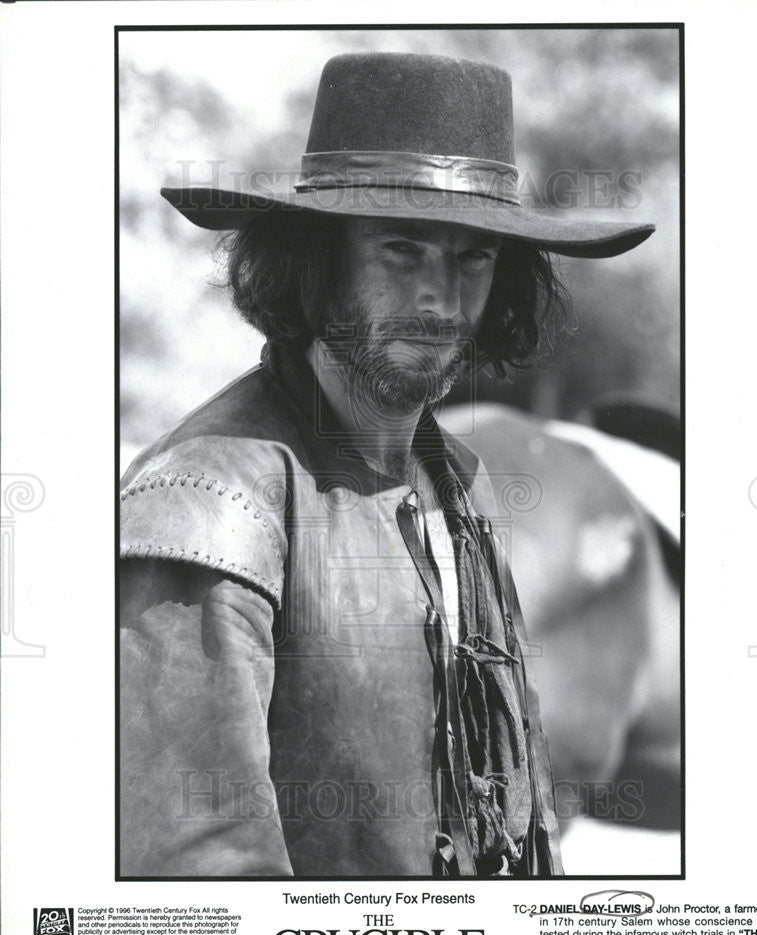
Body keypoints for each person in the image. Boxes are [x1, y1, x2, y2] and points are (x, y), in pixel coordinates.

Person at [119, 51, 654, 877]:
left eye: (472, 257)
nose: (442, 300)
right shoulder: (212, 505)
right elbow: (200, 877)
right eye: (401, 249)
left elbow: (516, 804)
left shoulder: (460, 478)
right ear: (316, 260)